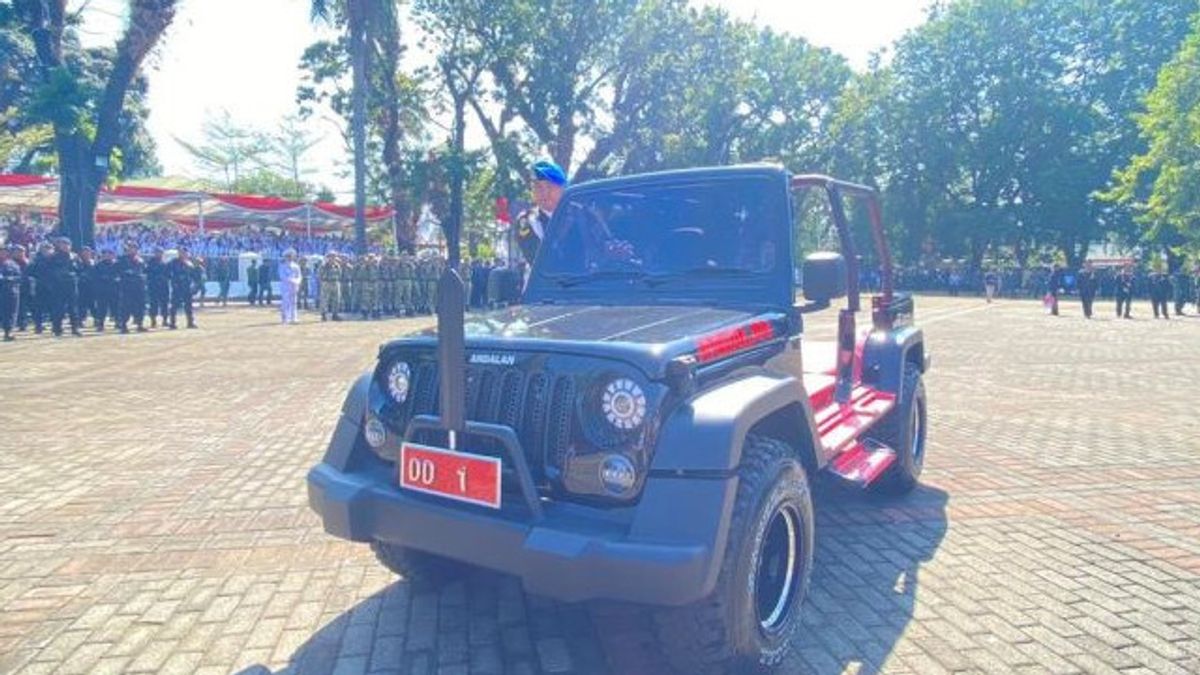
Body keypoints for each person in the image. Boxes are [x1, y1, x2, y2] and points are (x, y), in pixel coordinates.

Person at [513, 159, 568, 274]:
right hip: (545, 288)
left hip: (587, 287)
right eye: (538, 187)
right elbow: (538, 259)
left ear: (563, 188)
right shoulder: (526, 221)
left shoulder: (582, 216)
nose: (545, 193)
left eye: (550, 186)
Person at [45, 237, 82, 337]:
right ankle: (57, 328)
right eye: (62, 244)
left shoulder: (74, 257)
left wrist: (74, 275)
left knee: (73, 307)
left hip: (72, 285)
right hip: (58, 285)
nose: (65, 246)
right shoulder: (53, 257)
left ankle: (75, 328)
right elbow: (48, 271)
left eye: (67, 244)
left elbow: (80, 269)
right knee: (58, 308)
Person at [115, 241, 148, 333]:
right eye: (130, 247)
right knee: (126, 306)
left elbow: (144, 271)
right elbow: (118, 271)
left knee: (140, 305)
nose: (132, 249)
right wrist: (127, 273)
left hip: (139, 285)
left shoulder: (140, 260)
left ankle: (139, 324)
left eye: (134, 248)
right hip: (127, 286)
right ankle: (123, 325)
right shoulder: (122, 259)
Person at [167, 246, 198, 329]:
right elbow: (168, 272)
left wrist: (193, 284)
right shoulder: (174, 262)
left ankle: (190, 322)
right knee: (174, 305)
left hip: (187, 286)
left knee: (188, 305)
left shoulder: (189, 263)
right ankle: (172, 323)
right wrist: (174, 282)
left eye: (184, 252)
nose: (183, 254)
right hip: (177, 286)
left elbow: (193, 274)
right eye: (181, 252)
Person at [92, 249, 120, 331]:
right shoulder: (98, 265)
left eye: (110, 254)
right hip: (102, 290)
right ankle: (100, 324)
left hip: (114, 289)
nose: (108, 256)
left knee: (115, 307)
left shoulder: (116, 265)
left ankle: (118, 322)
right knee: (102, 308)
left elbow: (120, 275)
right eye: (106, 254)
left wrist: (116, 279)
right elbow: (95, 277)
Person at [145, 247, 170, 328]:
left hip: (163, 286)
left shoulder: (164, 263)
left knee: (164, 304)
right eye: (157, 252)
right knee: (153, 304)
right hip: (153, 286)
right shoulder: (150, 263)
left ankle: (165, 320)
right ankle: (153, 320)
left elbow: (168, 274)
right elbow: (147, 273)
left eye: (160, 252)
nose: (158, 254)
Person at [0, 246, 21, 341]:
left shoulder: (12, 264)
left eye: (4, 251)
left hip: (11, 290)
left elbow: (20, 277)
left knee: (11, 312)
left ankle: (8, 332)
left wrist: (10, 279)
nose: (3, 253)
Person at [278, 250, 302, 324]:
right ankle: (285, 318)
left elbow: (299, 276)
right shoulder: (282, 266)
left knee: (294, 302)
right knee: (286, 302)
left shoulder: (296, 266)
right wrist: (292, 280)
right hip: (286, 286)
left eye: (291, 256)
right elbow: (282, 276)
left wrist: (297, 282)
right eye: (288, 256)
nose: (289, 258)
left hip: (294, 286)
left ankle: (294, 318)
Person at [319, 252, 342, 321]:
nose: (333, 258)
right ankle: (324, 314)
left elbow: (340, 274)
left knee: (336, 299)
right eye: (331, 257)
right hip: (326, 282)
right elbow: (320, 274)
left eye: (334, 257)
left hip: (335, 282)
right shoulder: (324, 266)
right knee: (325, 299)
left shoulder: (337, 265)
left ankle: (335, 314)